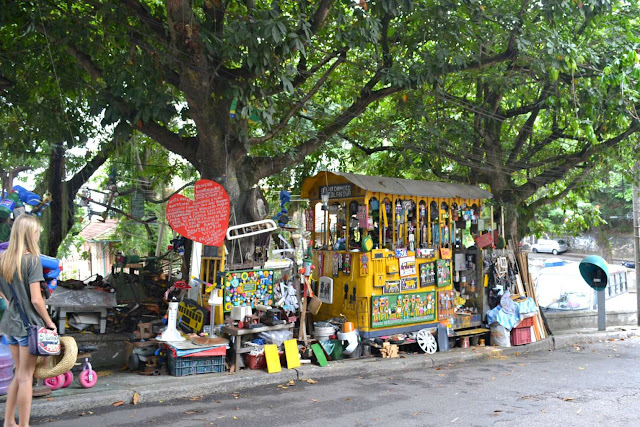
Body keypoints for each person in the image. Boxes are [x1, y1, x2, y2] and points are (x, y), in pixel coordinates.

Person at [0, 214, 56, 427]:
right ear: (30, 234)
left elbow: (3, 295)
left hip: (9, 325)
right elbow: (36, 300)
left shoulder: (3, 260)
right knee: (26, 377)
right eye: (37, 231)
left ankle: (8, 422)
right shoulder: (32, 260)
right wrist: (49, 322)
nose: (38, 234)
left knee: (18, 374)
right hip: (28, 326)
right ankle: (24, 425)